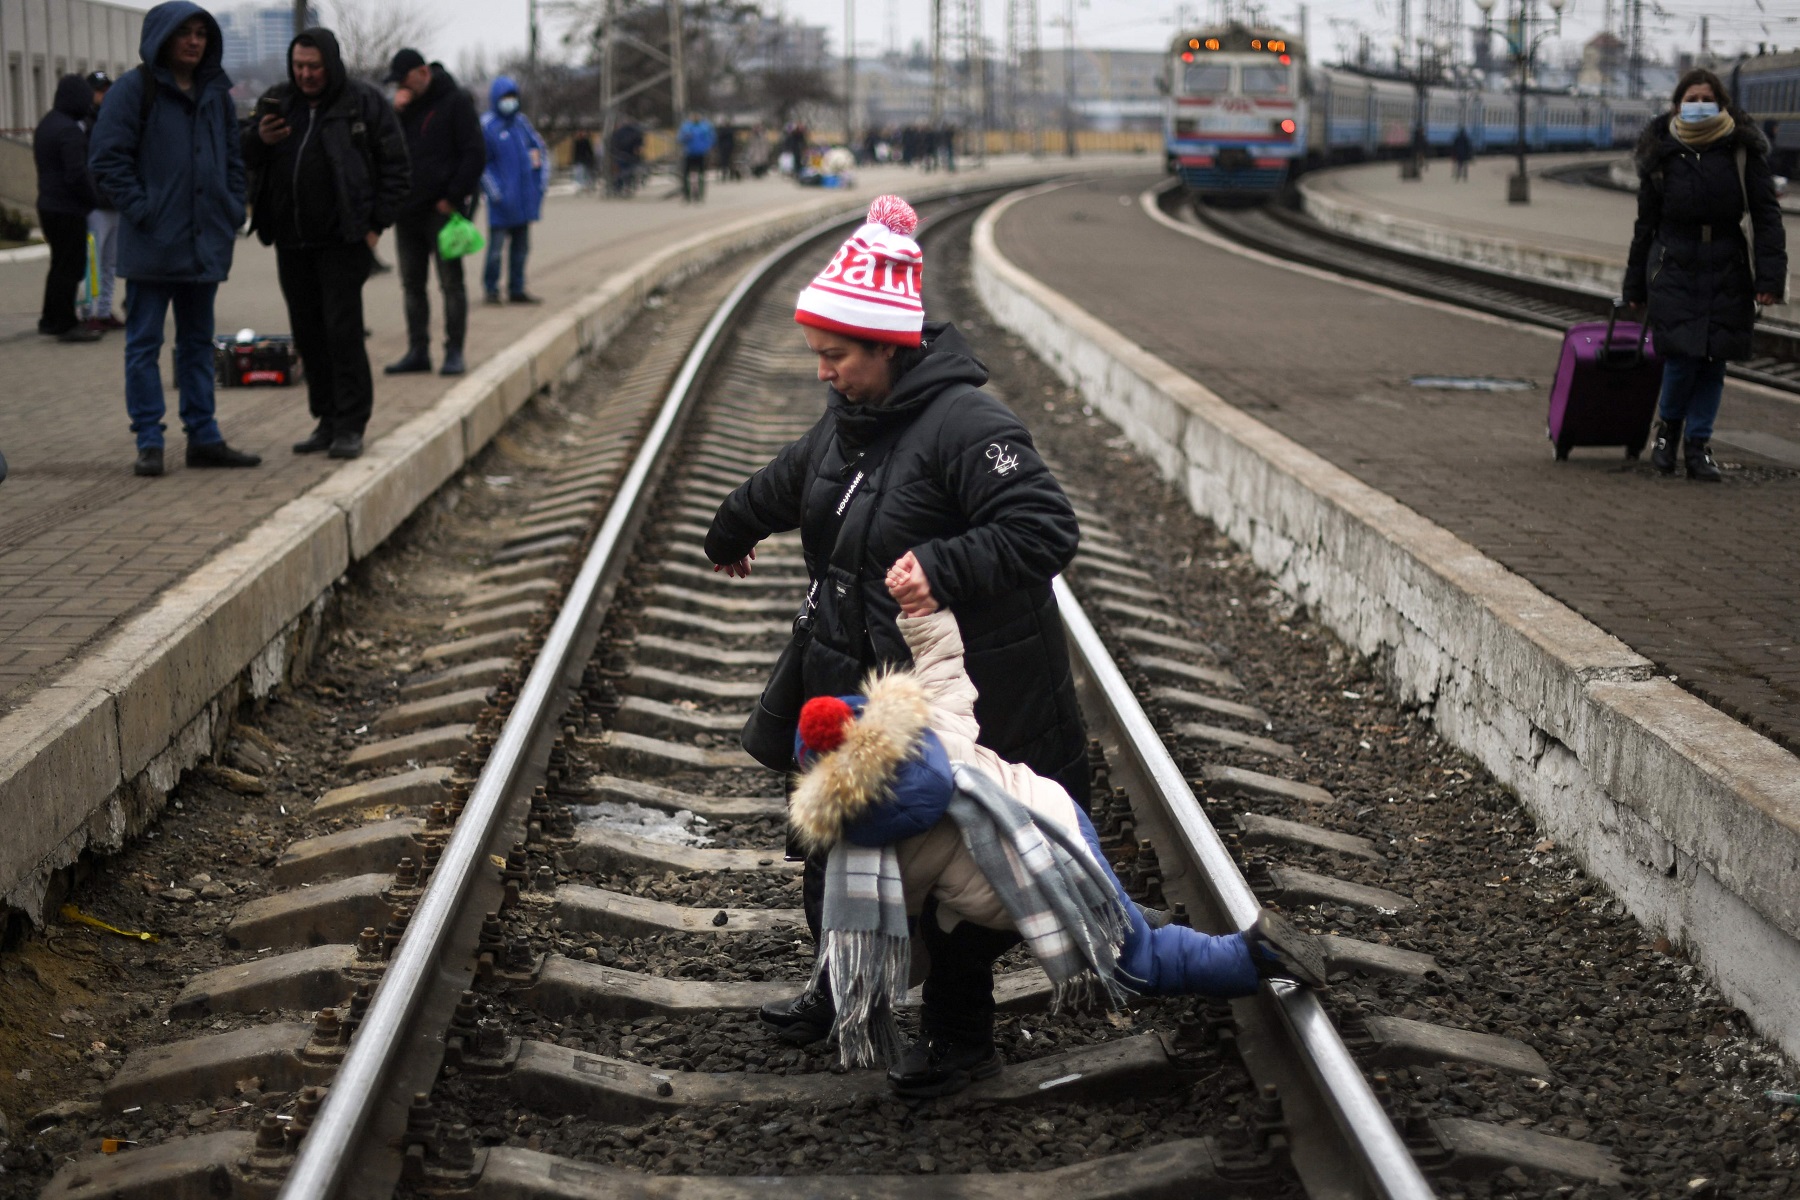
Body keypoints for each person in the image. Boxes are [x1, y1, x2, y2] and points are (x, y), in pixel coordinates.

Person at [705, 195, 1090, 1056]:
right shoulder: (855, 420)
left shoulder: (969, 424)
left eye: (836, 356)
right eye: (818, 355)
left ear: (889, 345)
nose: (823, 372)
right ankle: (838, 989)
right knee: (833, 843)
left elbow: (1046, 529)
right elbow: (789, 480)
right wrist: (731, 529)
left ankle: (960, 1036)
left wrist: (944, 566)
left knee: (959, 874)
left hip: (963, 693)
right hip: (855, 681)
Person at [788, 604, 1329, 1095]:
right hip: (1051, 812)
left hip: (1047, 872)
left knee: (1135, 964)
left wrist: (870, 981)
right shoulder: (926, 728)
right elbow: (943, 669)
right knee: (956, 916)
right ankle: (1120, 910)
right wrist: (922, 612)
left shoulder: (885, 845)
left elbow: (902, 957)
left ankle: (1251, 953)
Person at [89, 1, 260, 478]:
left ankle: (204, 436)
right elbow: (106, 160)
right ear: (162, 37)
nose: (193, 41)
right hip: (153, 242)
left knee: (197, 343)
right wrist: (145, 211)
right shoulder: (133, 90)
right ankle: (148, 439)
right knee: (143, 343)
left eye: (201, 33)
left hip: (204, 241)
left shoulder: (216, 94)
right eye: (183, 32)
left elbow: (231, 158)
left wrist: (230, 206)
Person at [244, 27, 408, 462]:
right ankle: (326, 419)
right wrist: (259, 138)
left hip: (344, 240)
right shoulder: (278, 102)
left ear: (330, 64)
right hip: (291, 241)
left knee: (343, 333)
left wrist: (375, 226)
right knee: (309, 335)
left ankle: (352, 424)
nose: (306, 74)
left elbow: (396, 168)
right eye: (299, 66)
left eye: (314, 66)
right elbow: (240, 153)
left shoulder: (362, 103)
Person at [1624, 68, 1788, 482]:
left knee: (1714, 361)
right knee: (1681, 357)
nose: (1699, 105)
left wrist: (1770, 278)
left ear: (1722, 103)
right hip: (1674, 263)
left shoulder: (1741, 150)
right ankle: (1667, 436)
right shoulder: (1660, 154)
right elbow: (1645, 226)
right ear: (1677, 105)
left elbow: (1767, 216)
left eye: (1706, 98)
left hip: (1727, 265)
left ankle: (1698, 447)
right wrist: (1634, 285)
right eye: (1691, 99)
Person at [383, 48, 484, 377]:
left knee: (450, 284)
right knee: (412, 285)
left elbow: (474, 153)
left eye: (405, 79)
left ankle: (453, 351)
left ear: (423, 72)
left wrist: (452, 197)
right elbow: (385, 149)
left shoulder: (455, 102)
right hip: (407, 212)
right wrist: (395, 113)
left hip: (442, 212)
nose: (402, 86)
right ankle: (418, 351)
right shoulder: (404, 109)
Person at [34, 73, 101, 343]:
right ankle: (65, 323)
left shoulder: (47, 124)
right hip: (67, 207)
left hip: (48, 205)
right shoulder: (69, 130)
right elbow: (76, 173)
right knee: (71, 267)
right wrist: (91, 198)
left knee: (58, 265)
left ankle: (50, 318)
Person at [479, 76, 548, 305]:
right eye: (505, 97)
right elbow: (482, 163)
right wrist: (496, 192)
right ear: (496, 98)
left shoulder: (521, 124)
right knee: (496, 251)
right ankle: (491, 289)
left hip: (524, 200)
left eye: (512, 97)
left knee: (521, 249)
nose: (509, 102)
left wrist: (538, 184)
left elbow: (538, 150)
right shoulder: (488, 126)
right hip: (502, 203)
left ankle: (517, 289)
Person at [84, 72, 124, 334]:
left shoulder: (114, 119)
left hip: (115, 203)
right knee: (93, 262)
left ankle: (104, 309)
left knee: (110, 262)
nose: (104, 94)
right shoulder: (86, 124)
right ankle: (89, 312)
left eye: (107, 89)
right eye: (100, 90)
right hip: (95, 204)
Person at [678, 112, 715, 202]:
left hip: (701, 153)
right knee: (686, 175)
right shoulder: (687, 127)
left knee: (701, 174)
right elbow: (680, 138)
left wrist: (707, 147)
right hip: (689, 153)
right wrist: (685, 138)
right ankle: (687, 194)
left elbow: (711, 138)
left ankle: (700, 194)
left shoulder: (704, 127)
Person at [608, 117, 644, 195]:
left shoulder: (618, 133)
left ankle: (618, 187)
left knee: (620, 172)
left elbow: (613, 143)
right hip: (631, 156)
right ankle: (628, 186)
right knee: (629, 172)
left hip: (619, 155)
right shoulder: (635, 132)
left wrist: (614, 153)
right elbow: (638, 145)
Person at [571, 130, 597, 194]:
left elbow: (590, 151)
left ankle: (587, 186)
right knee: (581, 173)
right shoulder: (577, 142)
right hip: (581, 160)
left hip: (585, 160)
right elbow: (575, 152)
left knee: (586, 173)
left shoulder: (585, 141)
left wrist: (591, 159)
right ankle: (582, 186)